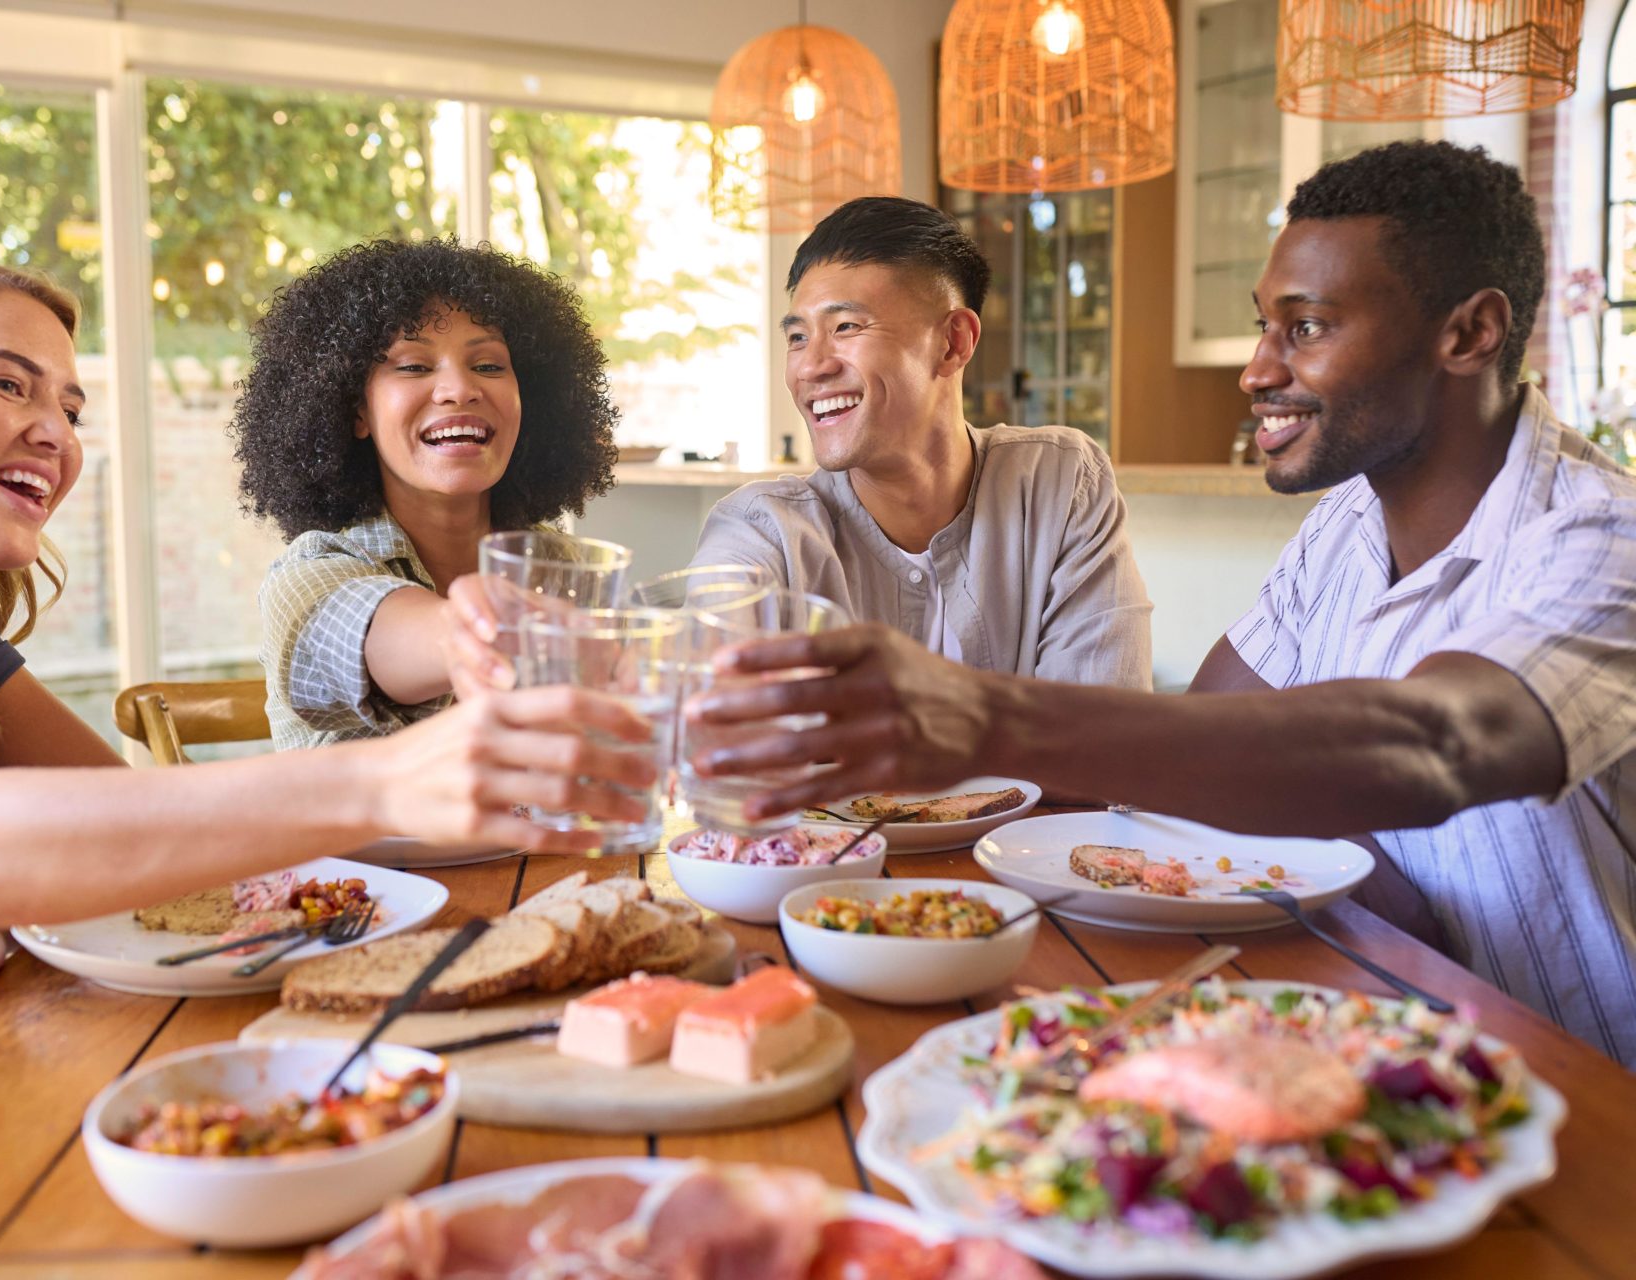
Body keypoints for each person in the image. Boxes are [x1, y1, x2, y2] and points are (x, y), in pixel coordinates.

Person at [689, 141, 1636, 1067]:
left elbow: (1440, 746)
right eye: (1264, 325)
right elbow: (1189, 749)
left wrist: (978, 716)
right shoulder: (1345, 524)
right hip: (1381, 1029)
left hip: (1576, 1082)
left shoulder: (1605, 538)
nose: (1257, 370)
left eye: (1304, 327)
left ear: (1468, 334)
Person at [0, 262, 653, 1186]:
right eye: (7, 384)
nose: (54, 433)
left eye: (72, 410)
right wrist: (389, 777)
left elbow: (121, 822)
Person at [686, 196, 1151, 687]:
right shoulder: (763, 532)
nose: (810, 366)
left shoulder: (1059, 482)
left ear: (953, 343)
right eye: (798, 337)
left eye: (846, 327)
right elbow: (713, 713)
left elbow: (1107, 730)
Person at [233, 239, 619, 747]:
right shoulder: (310, 578)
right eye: (413, 366)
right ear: (356, 413)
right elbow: (377, 634)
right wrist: (489, 630)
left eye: (488, 366)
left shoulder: (565, 567)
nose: (459, 388)